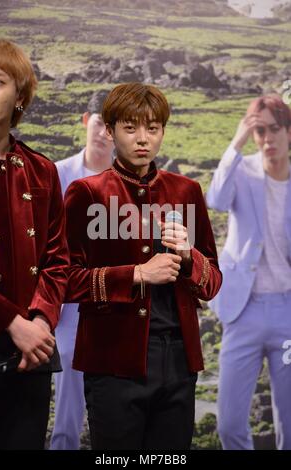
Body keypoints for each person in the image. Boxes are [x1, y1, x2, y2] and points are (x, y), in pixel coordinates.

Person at [64, 82, 222, 450]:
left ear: (163, 131)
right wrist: (137, 274)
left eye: (153, 128)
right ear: (110, 130)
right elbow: (66, 281)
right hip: (112, 362)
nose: (142, 139)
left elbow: (212, 282)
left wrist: (188, 258)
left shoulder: (186, 191)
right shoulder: (87, 192)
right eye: (130, 127)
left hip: (179, 361)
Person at [0, 38, 69, 450]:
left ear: (19, 95)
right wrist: (11, 321)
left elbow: (58, 259)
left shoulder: (42, 170)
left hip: (30, 358)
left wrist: (39, 323)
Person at [206, 94, 291, 450]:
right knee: (228, 425)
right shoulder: (243, 171)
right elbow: (216, 200)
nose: (267, 139)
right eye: (260, 131)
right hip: (244, 310)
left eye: (274, 130)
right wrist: (238, 140)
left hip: (288, 314)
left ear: (289, 131)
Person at [50, 90, 114, 450]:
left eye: (112, 126)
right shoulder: (56, 175)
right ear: (85, 120)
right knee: (67, 410)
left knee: (118, 411)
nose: (104, 133)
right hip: (69, 307)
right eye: (101, 122)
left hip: (116, 303)